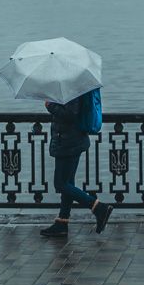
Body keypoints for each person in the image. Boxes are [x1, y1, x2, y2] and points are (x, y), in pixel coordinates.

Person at [40, 96, 114, 237]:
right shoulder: (70, 87)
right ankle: (62, 222)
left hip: (68, 141)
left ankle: (99, 208)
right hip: (69, 139)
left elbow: (70, 114)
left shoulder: (72, 90)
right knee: (68, 183)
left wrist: (50, 106)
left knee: (61, 183)